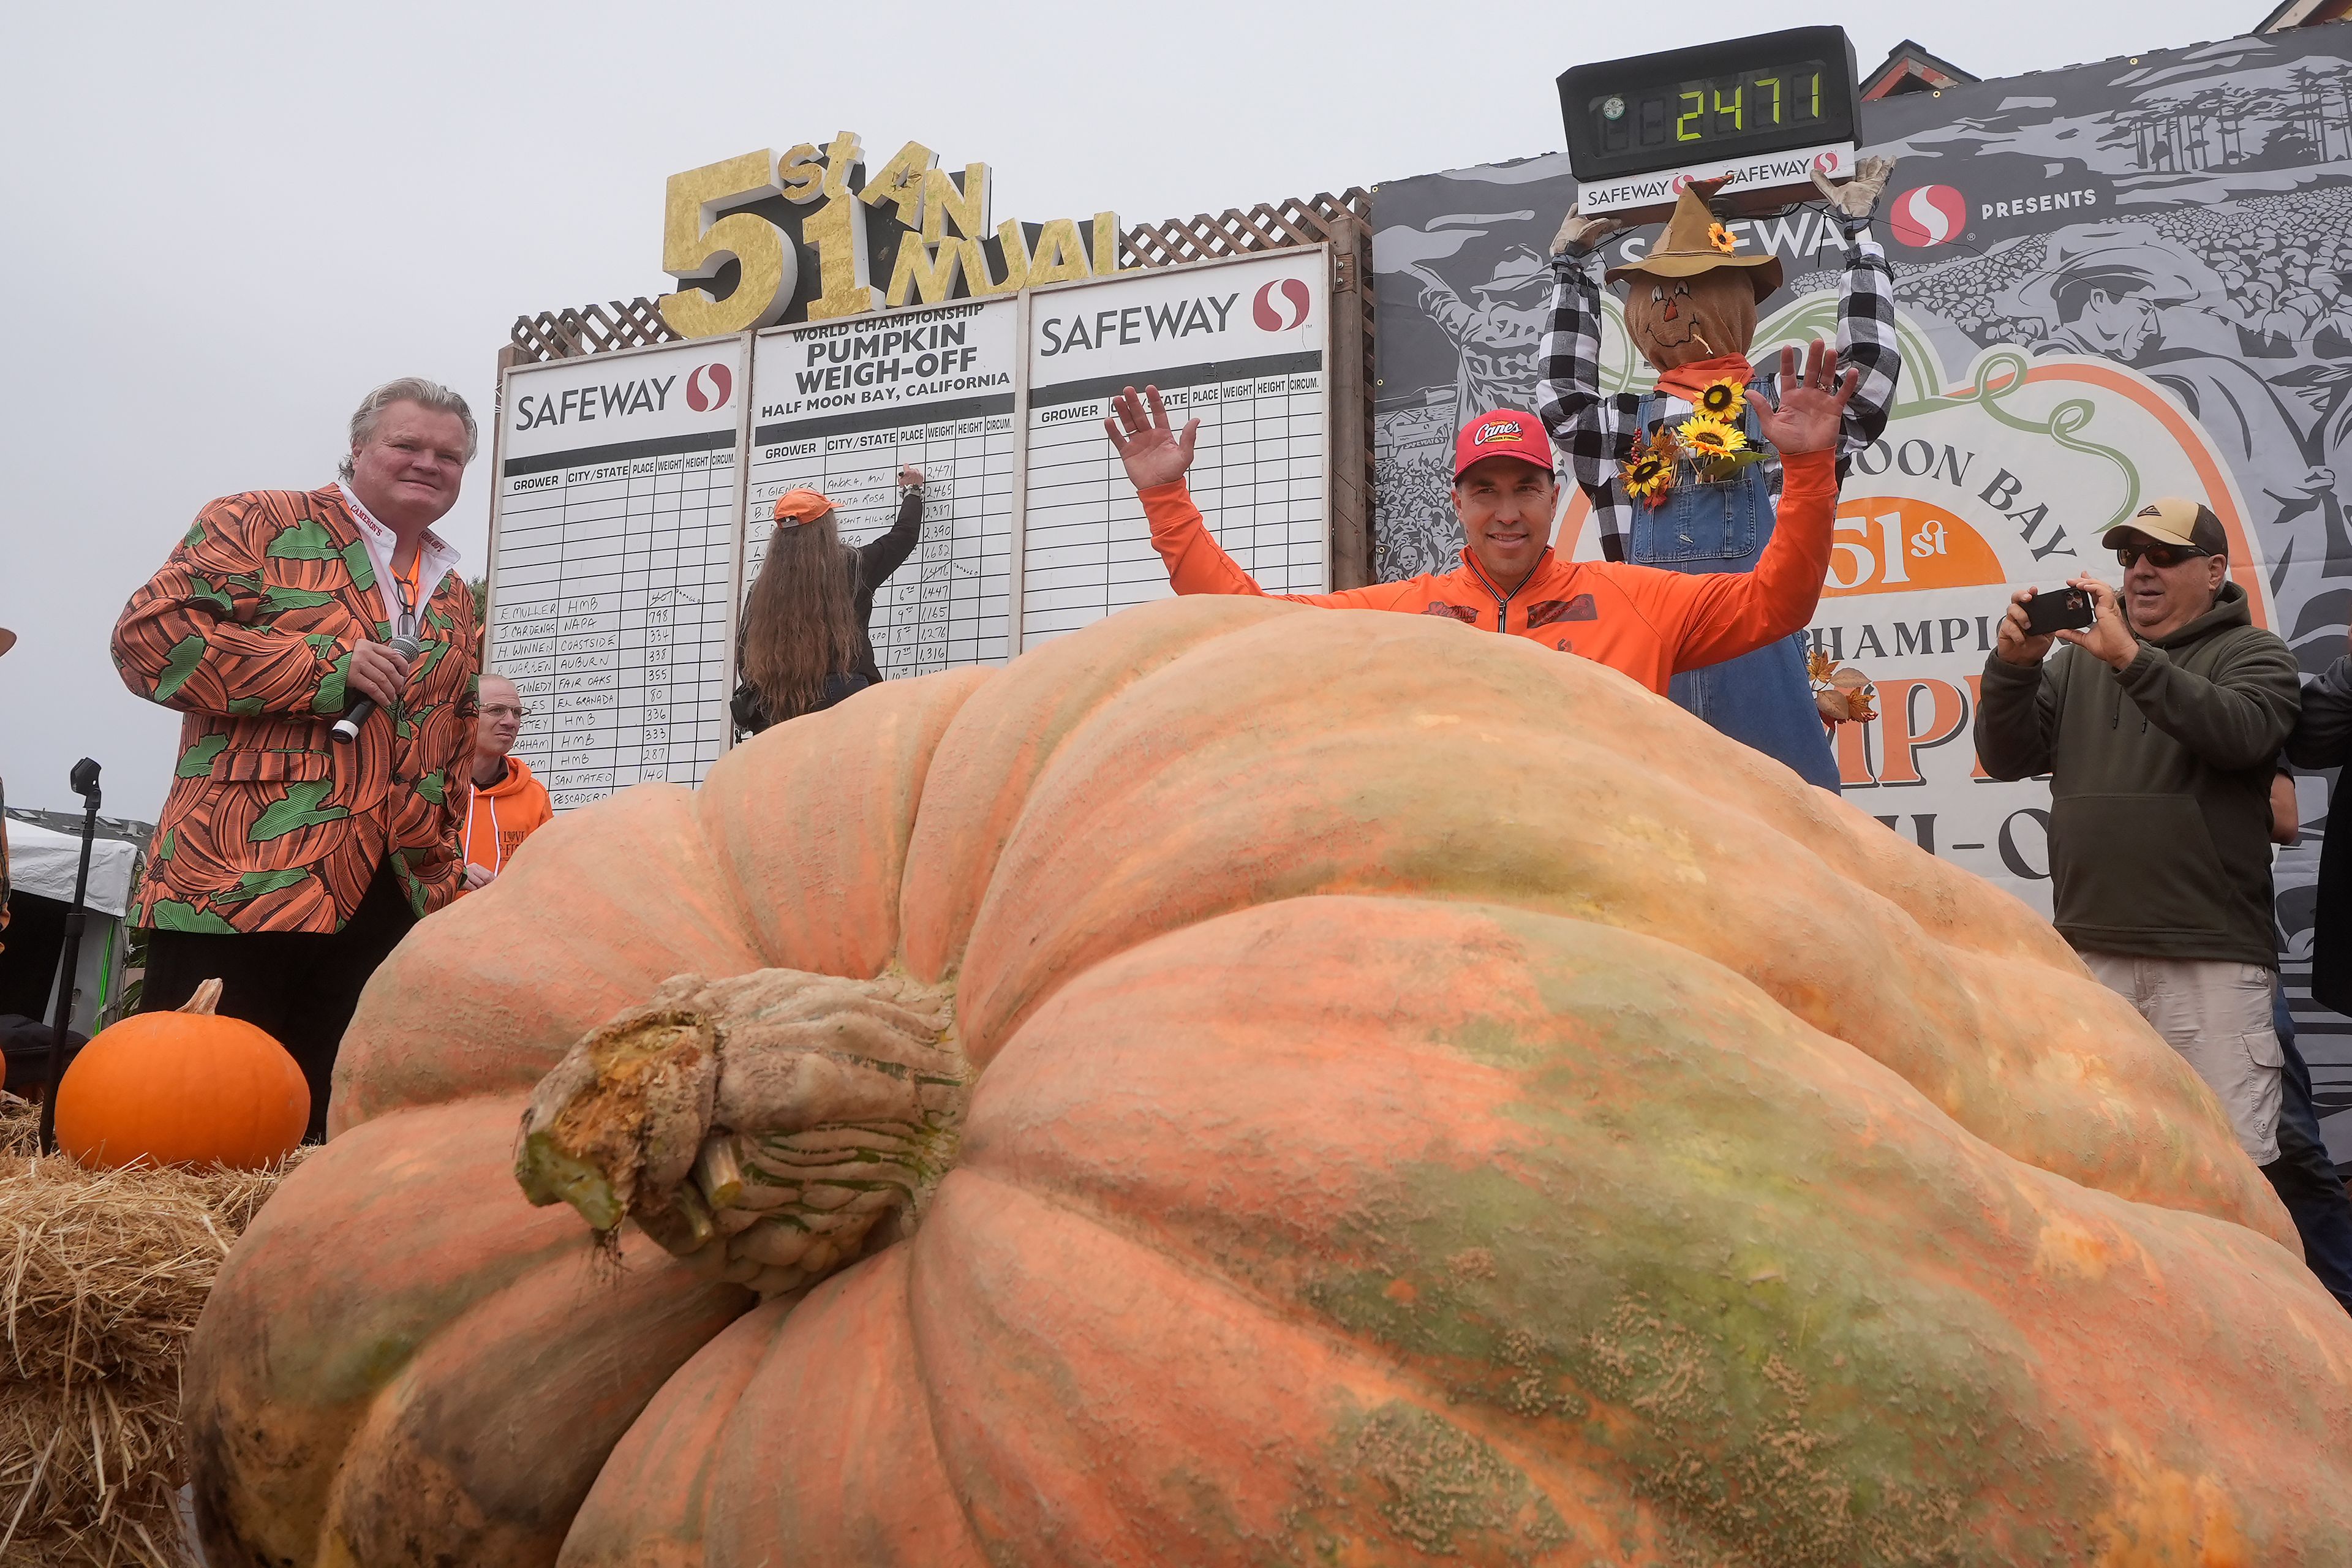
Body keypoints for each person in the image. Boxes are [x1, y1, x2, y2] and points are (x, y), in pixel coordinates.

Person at [111, 377, 480, 1139]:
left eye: (448, 455)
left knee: (331, 1130)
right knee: (193, 1120)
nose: (428, 463)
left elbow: (453, 737)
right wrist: (324, 668)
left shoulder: (453, 595)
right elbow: (147, 644)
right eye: (406, 444)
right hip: (244, 873)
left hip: (393, 894)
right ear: (357, 450)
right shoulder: (257, 521)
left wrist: (444, 875)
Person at [1103, 339, 1856, 699]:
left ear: (1554, 497)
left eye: (1524, 489)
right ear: (1456, 502)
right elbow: (1251, 622)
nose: (1506, 514)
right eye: (1485, 491)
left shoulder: (1639, 602)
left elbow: (1776, 603)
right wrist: (1167, 501)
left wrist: (1810, 469)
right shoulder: (1405, 614)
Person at [1536, 164, 1900, 790]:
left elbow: (1866, 382)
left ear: (1734, 303)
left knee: (1792, 847)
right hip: (1650, 679)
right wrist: (1570, 275)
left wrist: (1860, 240)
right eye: (1655, 293)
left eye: (1688, 290)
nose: (1669, 307)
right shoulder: (1623, 427)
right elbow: (1562, 396)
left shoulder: (1784, 408)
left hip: (1764, 670)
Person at [1975, 499, 2304, 1190]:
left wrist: (2130, 657)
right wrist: (2013, 667)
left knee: (2228, 1180)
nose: (2142, 571)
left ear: (2214, 570)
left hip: (2208, 961)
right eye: (2130, 557)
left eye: (2164, 555)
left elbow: (2241, 734)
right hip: (2091, 956)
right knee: (2109, 1168)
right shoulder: (2075, 665)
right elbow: (2005, 757)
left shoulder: (2254, 653)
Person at [731, 465, 925, 736]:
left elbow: (745, 659)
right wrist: (913, 492)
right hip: (844, 697)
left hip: (780, 707)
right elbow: (902, 538)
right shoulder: (851, 567)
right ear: (825, 528)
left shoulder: (761, 591)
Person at [459, 673, 551, 892]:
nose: (510, 722)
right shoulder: (429, 785)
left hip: (506, 925)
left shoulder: (534, 795)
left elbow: (548, 874)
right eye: (496, 710)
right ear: (466, 714)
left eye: (517, 713)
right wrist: (452, 876)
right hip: (429, 924)